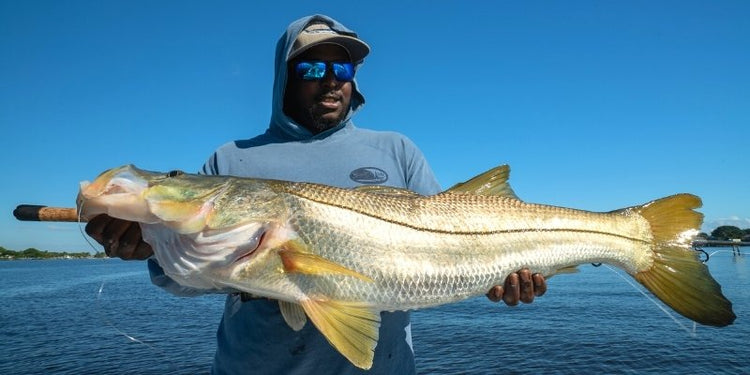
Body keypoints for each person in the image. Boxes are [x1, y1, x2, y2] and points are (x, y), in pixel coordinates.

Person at [85, 14, 547, 374]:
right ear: (286, 77)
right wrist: (151, 249)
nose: (331, 79)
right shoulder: (231, 160)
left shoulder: (396, 149)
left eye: (342, 67)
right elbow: (184, 280)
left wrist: (503, 276)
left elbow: (454, 241)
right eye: (312, 66)